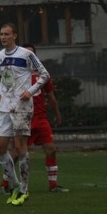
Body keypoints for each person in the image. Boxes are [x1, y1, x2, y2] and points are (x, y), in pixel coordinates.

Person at [0, 23, 50, 206]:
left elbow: (44, 75)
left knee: (20, 147)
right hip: (5, 105)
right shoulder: (1, 55)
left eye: (7, 34)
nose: (3, 37)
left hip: (21, 106)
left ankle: (24, 189)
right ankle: (16, 184)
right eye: (1, 34)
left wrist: (31, 91)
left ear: (15, 36)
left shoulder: (27, 54)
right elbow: (4, 78)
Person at [22, 43, 65, 193]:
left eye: (31, 54)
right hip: (24, 118)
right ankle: (5, 183)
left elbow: (51, 97)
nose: (29, 57)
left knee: (51, 149)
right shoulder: (18, 75)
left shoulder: (43, 75)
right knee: (18, 152)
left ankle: (53, 185)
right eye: (26, 54)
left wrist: (57, 114)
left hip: (41, 118)